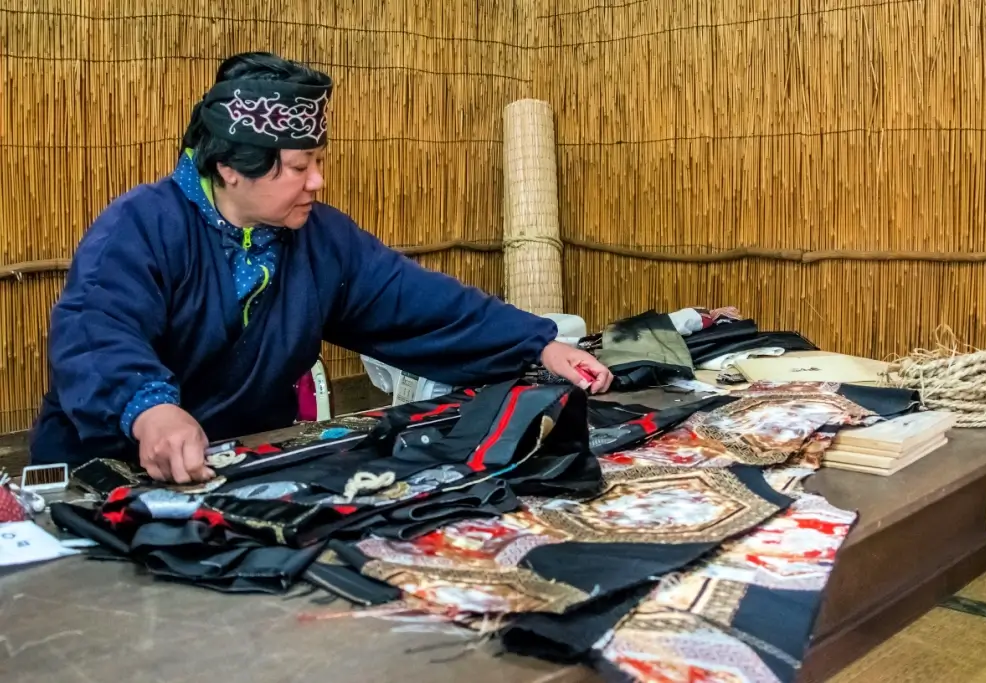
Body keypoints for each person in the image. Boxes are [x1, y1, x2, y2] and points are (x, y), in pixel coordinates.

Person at [29, 52, 612, 485]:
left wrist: (537, 344)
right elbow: (96, 330)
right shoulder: (142, 225)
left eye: (318, 162)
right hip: (108, 469)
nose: (317, 181)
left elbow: (418, 301)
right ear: (233, 167)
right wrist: (149, 409)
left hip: (241, 466)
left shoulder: (319, 237)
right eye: (299, 166)